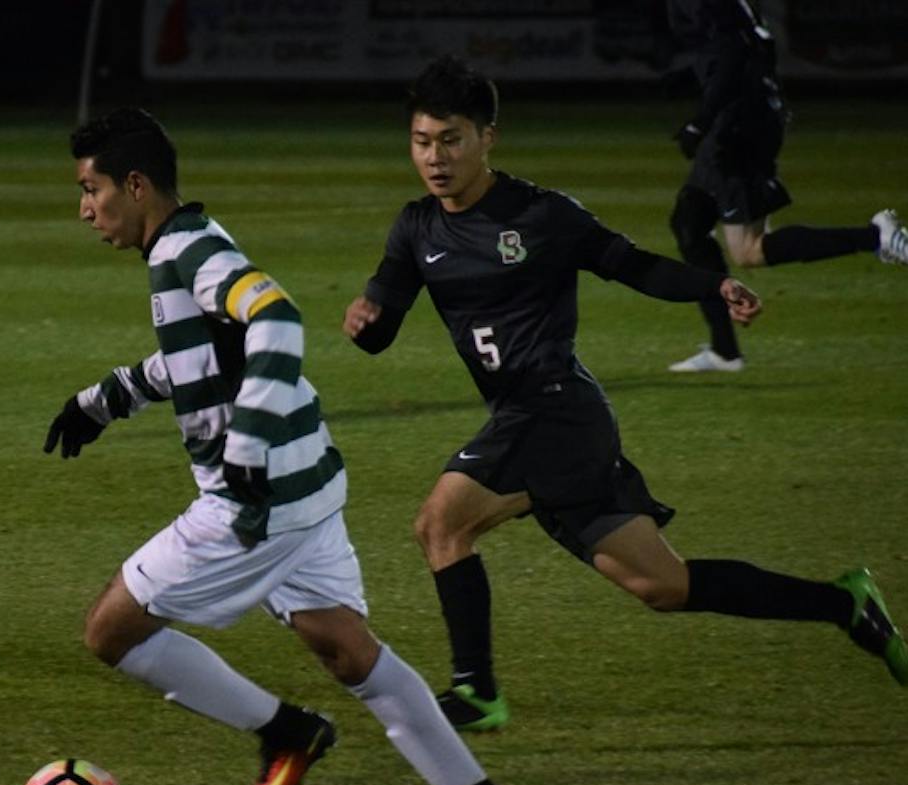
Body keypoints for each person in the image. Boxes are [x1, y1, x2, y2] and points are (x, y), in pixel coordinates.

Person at [342, 55, 907, 733]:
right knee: (663, 586)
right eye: (422, 142)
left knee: (441, 522)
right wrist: (364, 324)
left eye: (451, 140)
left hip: (553, 410)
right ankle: (843, 603)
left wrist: (714, 286)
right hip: (542, 421)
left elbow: (630, 264)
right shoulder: (416, 227)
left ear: (487, 137)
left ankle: (477, 690)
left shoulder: (542, 214)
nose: (435, 158)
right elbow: (383, 325)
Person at [43, 106, 521, 785]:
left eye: (90, 188)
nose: (83, 209)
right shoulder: (190, 239)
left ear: (134, 185)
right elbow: (206, 360)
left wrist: (249, 439)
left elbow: (278, 318)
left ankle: (285, 731)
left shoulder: (188, 253)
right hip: (308, 482)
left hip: (255, 502)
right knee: (346, 649)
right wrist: (104, 400)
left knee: (112, 629)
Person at [665, 0, 907, 373]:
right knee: (689, 221)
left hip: (737, 122)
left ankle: (876, 237)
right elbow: (752, 46)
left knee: (748, 251)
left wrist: (703, 120)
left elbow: (732, 53)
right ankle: (724, 351)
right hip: (746, 114)